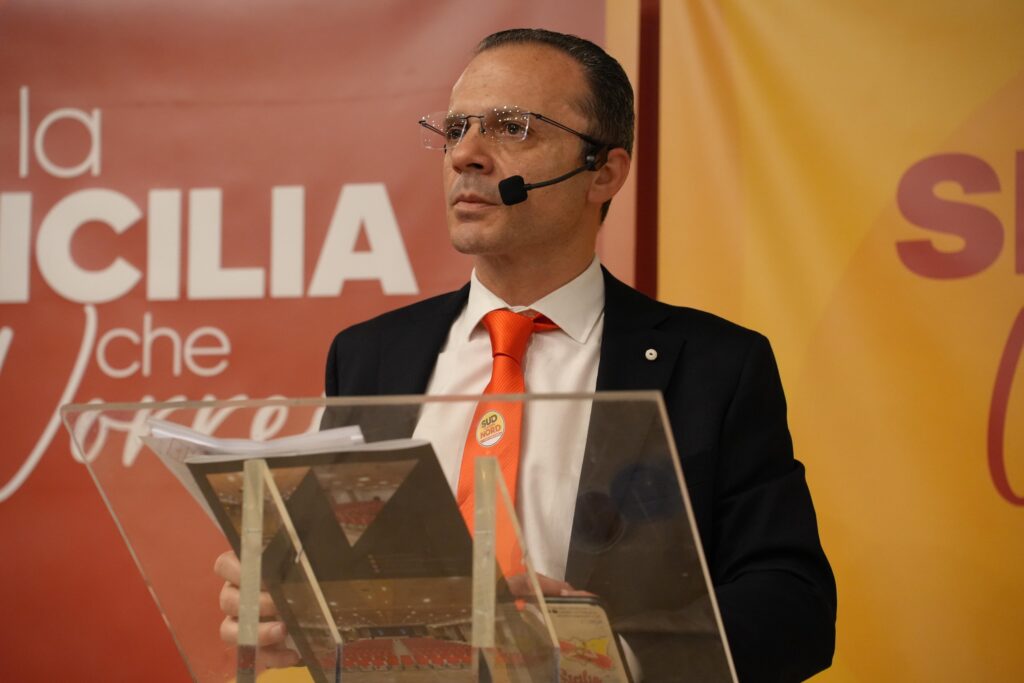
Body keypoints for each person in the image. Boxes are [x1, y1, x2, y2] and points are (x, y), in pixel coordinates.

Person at [217, 28, 836, 681]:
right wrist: (286, 606)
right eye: (456, 129)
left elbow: (793, 606)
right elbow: (334, 573)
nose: (466, 155)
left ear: (604, 172)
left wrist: (606, 659)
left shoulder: (714, 367)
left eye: (512, 128)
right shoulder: (369, 356)